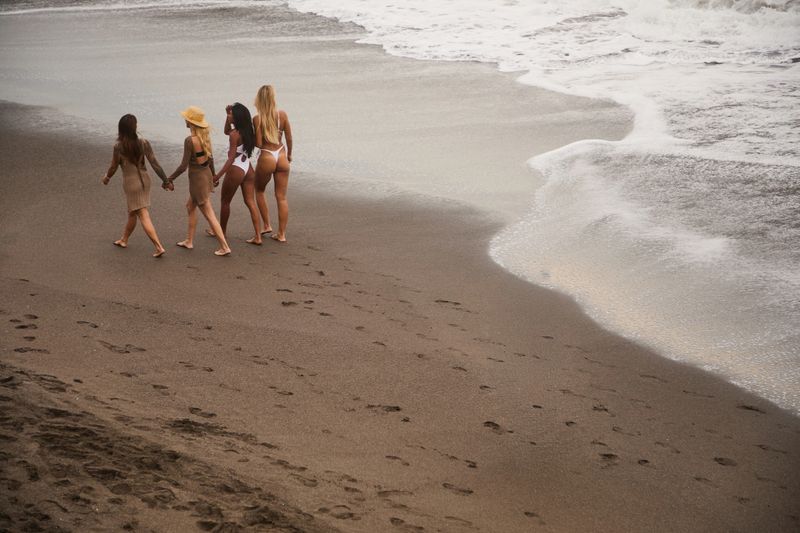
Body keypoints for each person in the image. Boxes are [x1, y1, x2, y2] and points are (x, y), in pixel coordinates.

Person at [167, 106, 231, 256]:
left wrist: (169, 179)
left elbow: (183, 166)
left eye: (187, 119)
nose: (185, 121)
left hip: (197, 181)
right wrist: (214, 176)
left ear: (191, 122)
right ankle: (189, 241)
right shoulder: (204, 138)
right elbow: (211, 159)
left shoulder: (190, 140)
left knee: (208, 213)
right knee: (190, 206)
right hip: (206, 176)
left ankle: (224, 246)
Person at [101, 114, 168, 258]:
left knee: (143, 214)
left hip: (131, 183)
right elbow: (155, 163)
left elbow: (113, 166)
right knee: (133, 211)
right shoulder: (143, 143)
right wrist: (165, 180)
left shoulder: (118, 146)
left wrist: (107, 177)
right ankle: (124, 239)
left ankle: (158, 246)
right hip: (145, 180)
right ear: (134, 127)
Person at [211, 103, 261, 245]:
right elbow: (227, 130)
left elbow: (231, 158)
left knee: (225, 202)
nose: (229, 116)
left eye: (231, 114)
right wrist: (227, 116)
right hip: (248, 168)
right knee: (251, 202)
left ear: (237, 117)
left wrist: (217, 176)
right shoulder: (247, 131)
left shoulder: (234, 135)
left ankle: (222, 233)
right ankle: (258, 236)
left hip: (236, 168)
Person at [253, 84, 293, 242]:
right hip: (281, 154)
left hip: (267, 156)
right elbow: (289, 137)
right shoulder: (281, 115)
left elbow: (258, 144)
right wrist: (289, 154)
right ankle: (281, 234)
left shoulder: (257, 119)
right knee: (281, 197)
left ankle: (267, 225)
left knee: (259, 190)